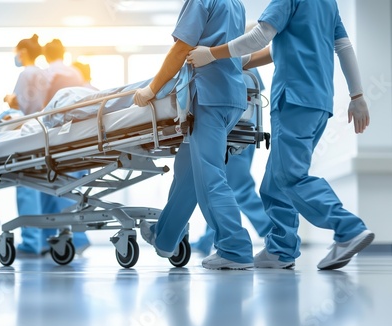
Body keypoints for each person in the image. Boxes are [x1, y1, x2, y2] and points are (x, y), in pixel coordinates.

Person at [187, 0, 374, 270]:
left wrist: (212, 54)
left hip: (294, 100)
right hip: (318, 102)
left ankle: (347, 228)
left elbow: (260, 36)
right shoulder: (327, 3)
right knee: (274, 183)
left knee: (290, 176)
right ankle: (280, 249)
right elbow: (340, 47)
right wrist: (357, 96)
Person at [133, 0, 255, 269]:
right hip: (232, 96)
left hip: (209, 96)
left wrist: (151, 89)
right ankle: (164, 238)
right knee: (188, 173)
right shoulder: (236, 4)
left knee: (210, 176)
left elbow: (181, 49)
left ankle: (235, 249)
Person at [191, 64, 271, 256]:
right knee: (223, 189)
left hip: (234, 135)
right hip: (246, 132)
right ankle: (207, 240)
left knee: (240, 188)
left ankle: (275, 231)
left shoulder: (233, 65)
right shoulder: (247, 67)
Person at [40, 39, 91, 255]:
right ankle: (77, 238)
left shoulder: (47, 74)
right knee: (73, 188)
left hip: (55, 138)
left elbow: (44, 109)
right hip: (78, 137)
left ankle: (49, 240)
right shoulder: (75, 73)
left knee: (49, 188)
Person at [4, 34, 50, 257]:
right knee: (44, 186)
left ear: (22, 52)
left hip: (27, 134)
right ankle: (42, 240)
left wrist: (9, 100)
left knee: (26, 185)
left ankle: (31, 243)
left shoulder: (26, 74)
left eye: (16, 52)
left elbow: (22, 106)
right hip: (44, 133)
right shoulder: (43, 73)